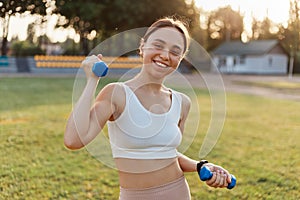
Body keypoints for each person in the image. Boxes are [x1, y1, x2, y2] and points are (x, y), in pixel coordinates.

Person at [64, 17, 233, 200]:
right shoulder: (117, 94)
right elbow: (74, 140)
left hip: (179, 193)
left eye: (175, 51)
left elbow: (167, 154)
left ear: (180, 58)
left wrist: (200, 166)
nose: (165, 55)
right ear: (142, 47)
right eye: (158, 46)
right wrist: (92, 81)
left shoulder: (182, 102)